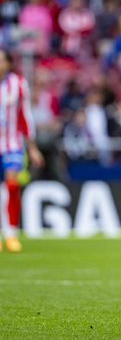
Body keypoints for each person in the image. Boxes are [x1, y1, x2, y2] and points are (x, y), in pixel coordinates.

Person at [0, 49, 44, 252]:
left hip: (11, 144)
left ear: (8, 63)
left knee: (11, 186)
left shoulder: (18, 84)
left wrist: (32, 147)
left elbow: (25, 116)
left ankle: (11, 234)